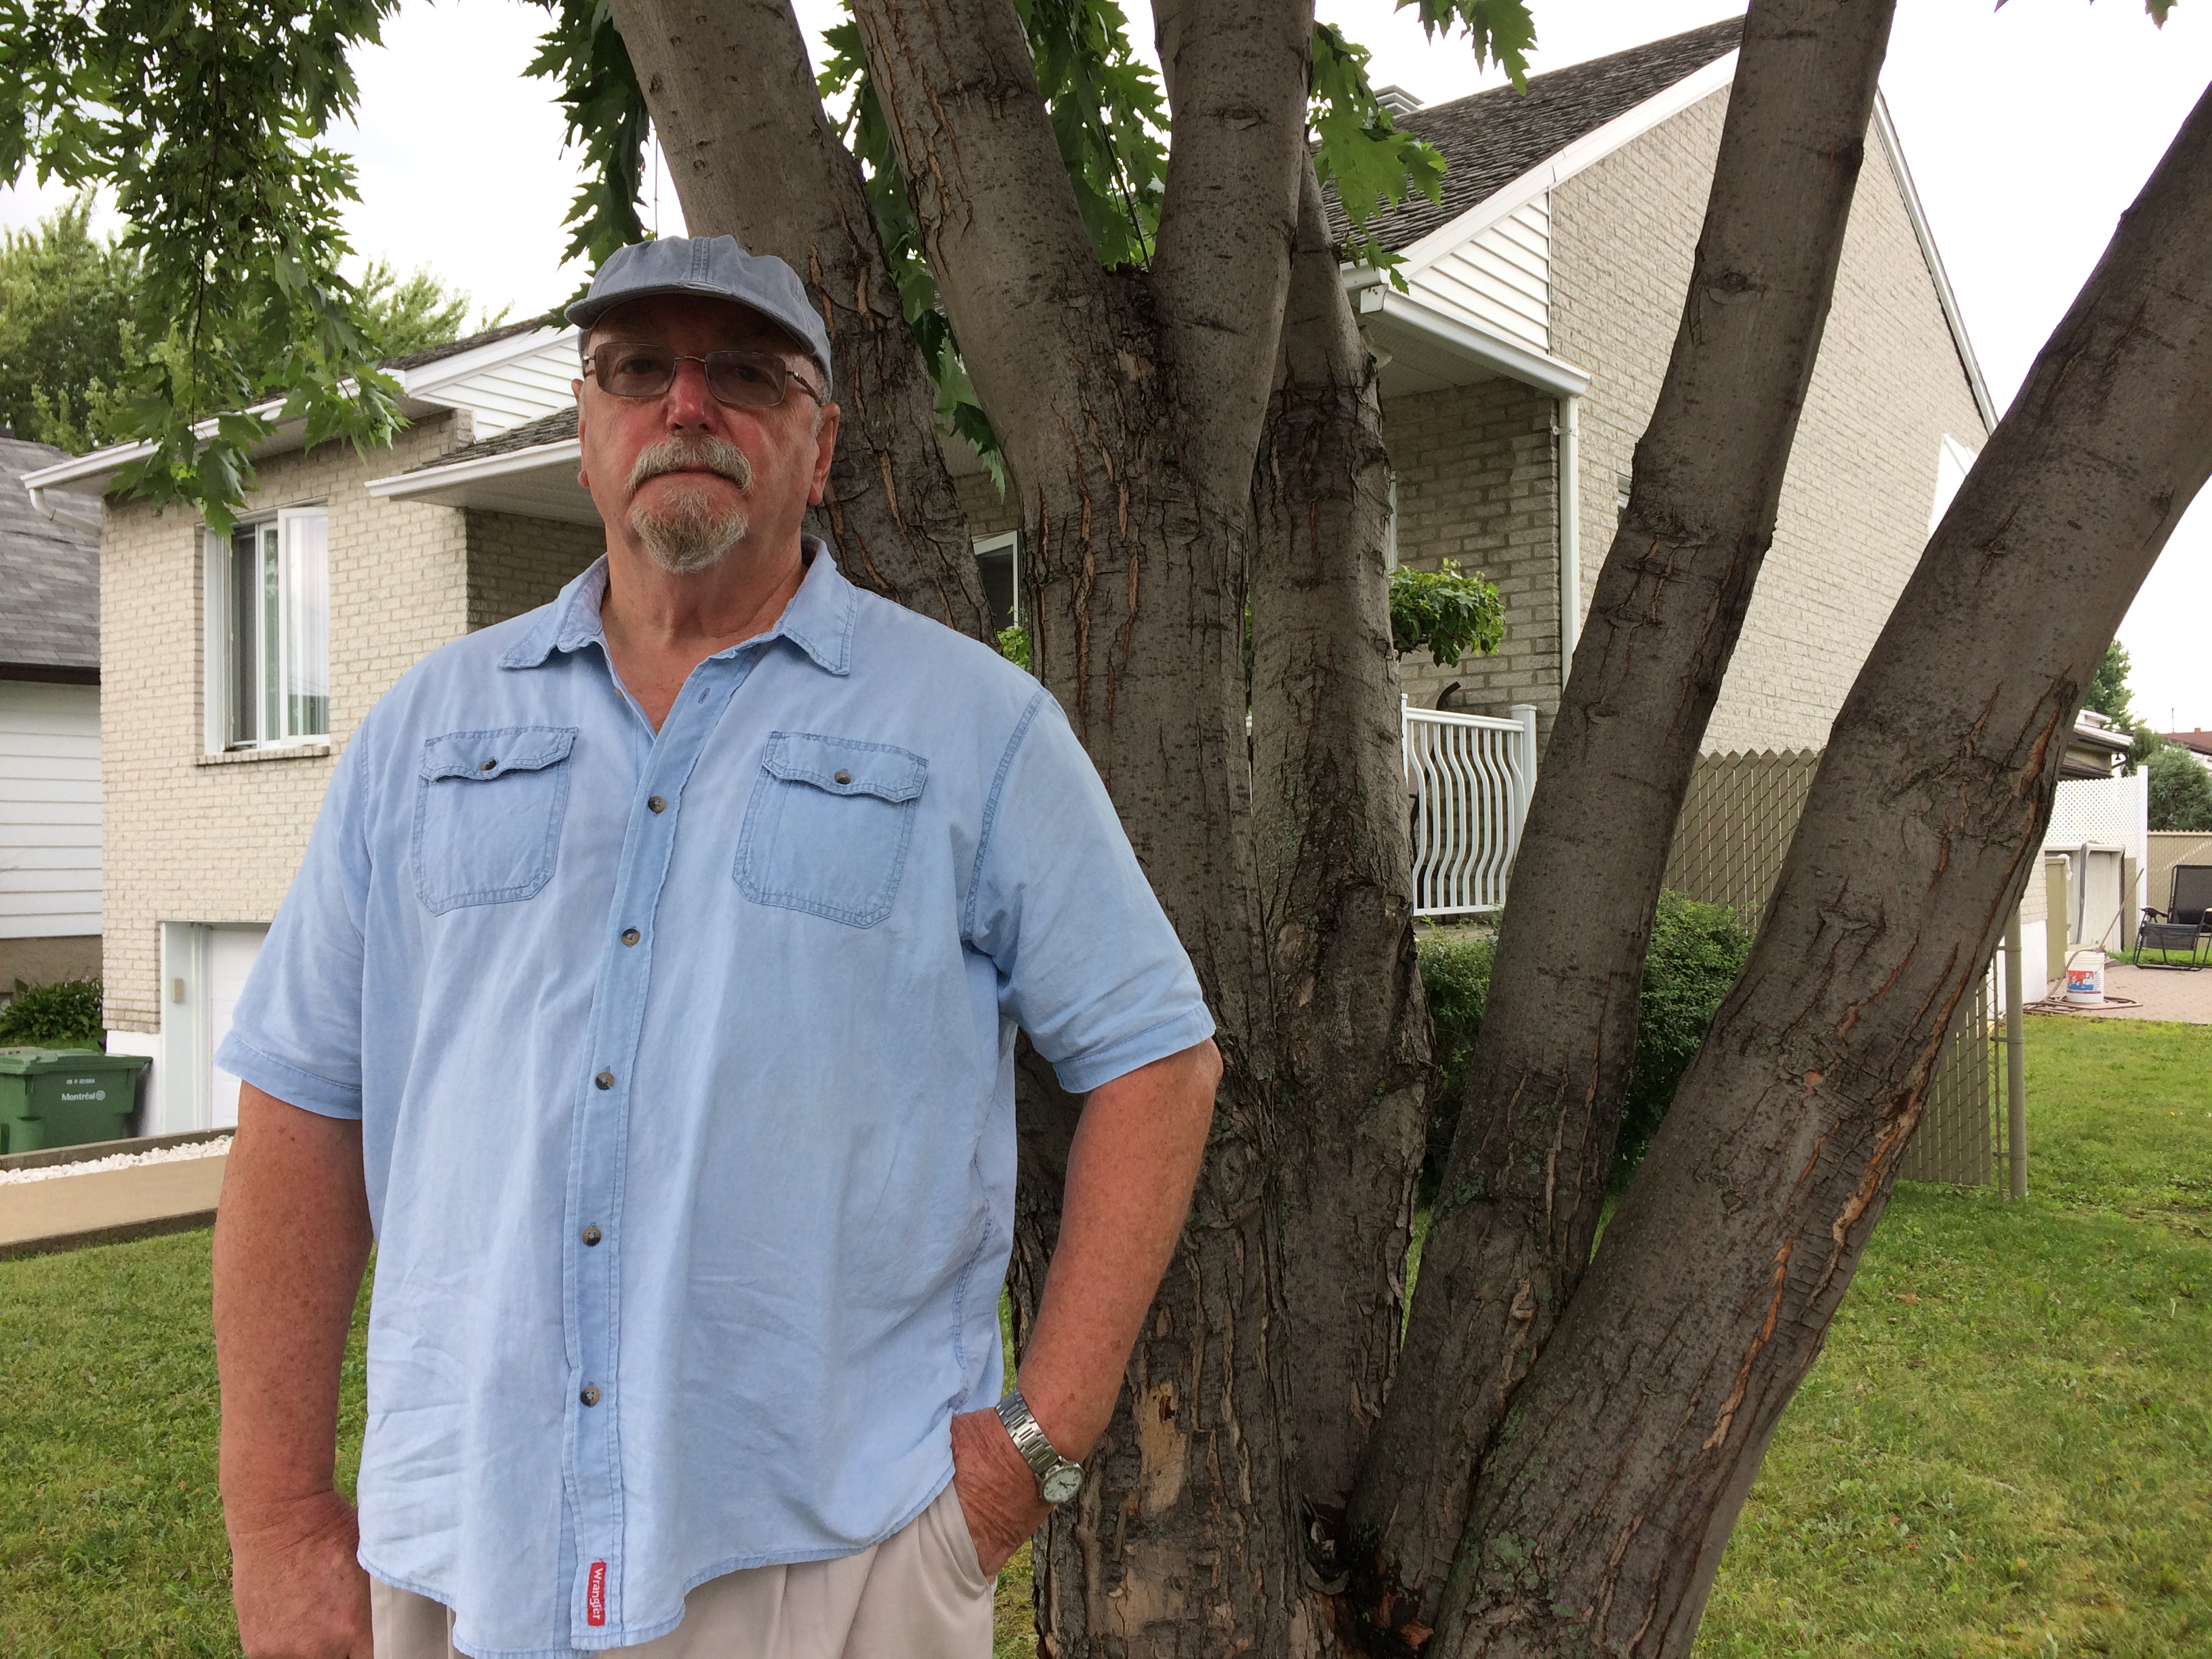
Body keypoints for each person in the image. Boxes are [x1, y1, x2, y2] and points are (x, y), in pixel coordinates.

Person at [212, 235, 1220, 1659]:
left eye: (745, 373)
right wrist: (273, 1520)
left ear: (822, 448)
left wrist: (1031, 1454)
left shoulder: (972, 729)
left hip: (837, 1554)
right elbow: (304, 1107)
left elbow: (1158, 1062)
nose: (686, 406)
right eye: (639, 371)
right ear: (586, 431)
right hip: (466, 1553)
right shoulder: (423, 736)